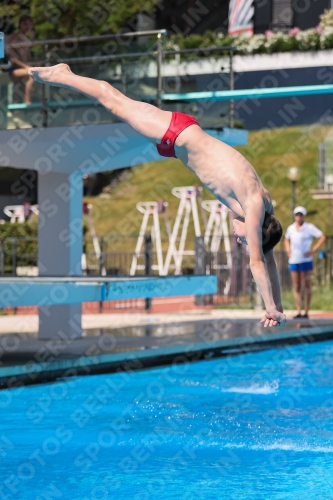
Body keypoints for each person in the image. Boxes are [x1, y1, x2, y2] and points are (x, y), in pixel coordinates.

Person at [28, 63, 286, 328]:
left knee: (116, 102)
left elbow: (269, 261)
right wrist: (268, 307)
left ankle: (66, 76)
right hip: (176, 133)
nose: (241, 239)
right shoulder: (253, 205)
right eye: (247, 239)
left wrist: (277, 308)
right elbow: (256, 261)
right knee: (113, 100)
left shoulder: (260, 203)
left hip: (180, 139)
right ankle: (63, 74)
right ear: (259, 228)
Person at [285, 206, 326, 319]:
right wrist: (288, 250)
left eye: (301, 214)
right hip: (294, 260)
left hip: (306, 260)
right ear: (294, 216)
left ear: (304, 216)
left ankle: (306, 311)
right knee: (297, 286)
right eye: (297, 214)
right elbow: (286, 239)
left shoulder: (309, 227)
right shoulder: (291, 228)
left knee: (306, 285)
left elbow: (322, 237)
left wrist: (313, 250)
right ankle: (299, 310)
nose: (298, 217)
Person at [6, 14, 35, 104]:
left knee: (19, 96)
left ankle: (18, 113)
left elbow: (28, 58)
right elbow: (12, 58)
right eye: (25, 24)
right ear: (20, 25)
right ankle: (28, 102)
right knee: (33, 74)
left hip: (24, 69)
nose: (27, 26)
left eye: (29, 24)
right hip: (15, 70)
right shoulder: (13, 38)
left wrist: (41, 60)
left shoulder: (26, 39)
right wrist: (27, 67)